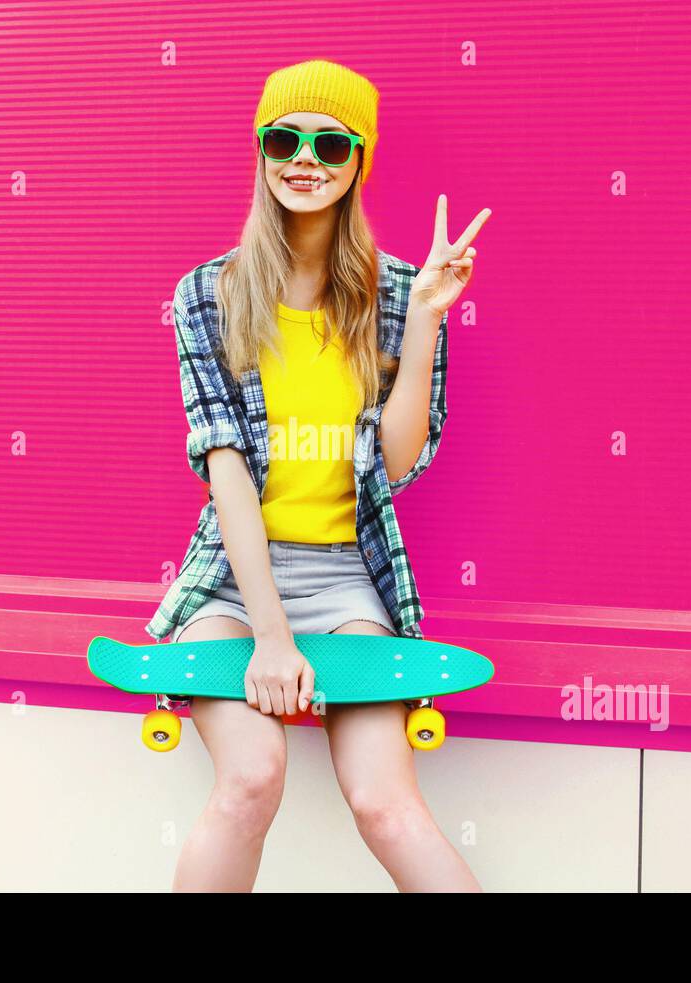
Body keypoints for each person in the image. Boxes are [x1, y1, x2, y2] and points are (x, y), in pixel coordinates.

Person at [145, 59, 491, 892]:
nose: (305, 158)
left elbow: (398, 462)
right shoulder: (210, 293)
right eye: (283, 138)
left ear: (358, 160)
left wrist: (428, 324)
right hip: (234, 582)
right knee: (250, 779)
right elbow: (224, 464)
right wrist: (267, 631)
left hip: (348, 582)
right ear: (261, 152)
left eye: (330, 142)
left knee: (385, 803)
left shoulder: (403, 289)